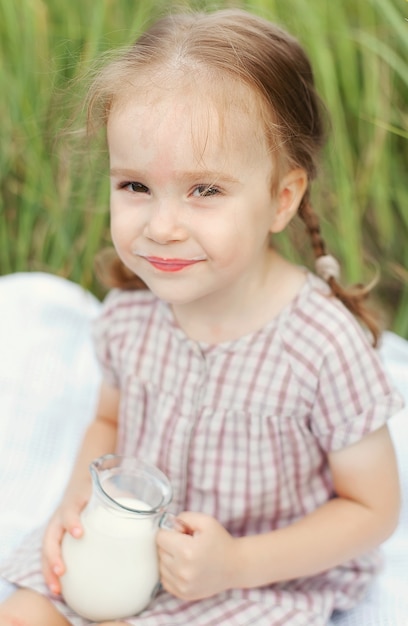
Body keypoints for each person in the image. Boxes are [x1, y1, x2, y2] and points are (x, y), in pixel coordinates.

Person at [0, 8, 404, 626]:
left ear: (281, 198)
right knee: (25, 612)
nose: (161, 226)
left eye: (205, 191)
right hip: (132, 543)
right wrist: (77, 501)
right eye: (135, 186)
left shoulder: (320, 346)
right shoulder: (131, 315)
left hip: (258, 576)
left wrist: (236, 564)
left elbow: (372, 509)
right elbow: (108, 418)